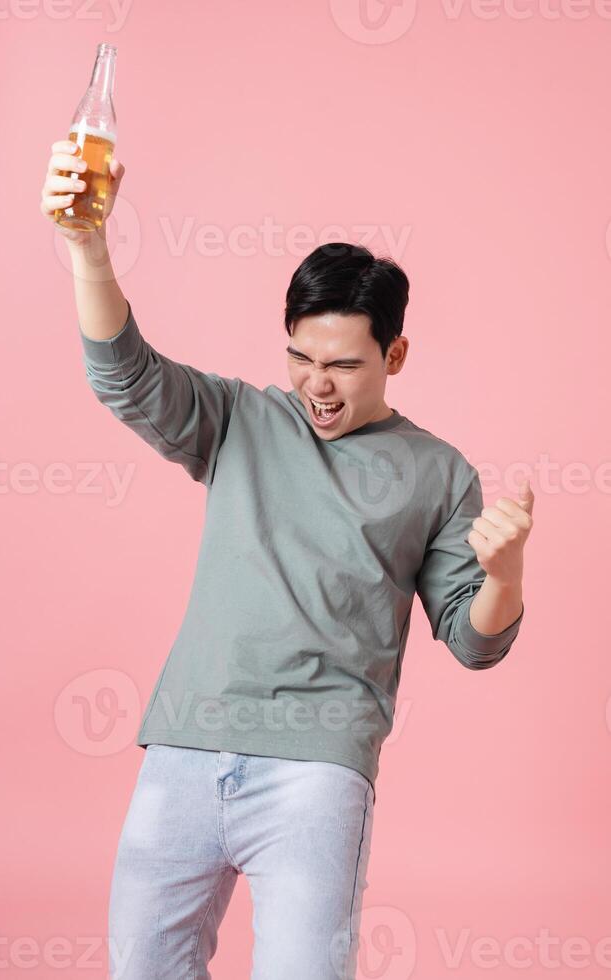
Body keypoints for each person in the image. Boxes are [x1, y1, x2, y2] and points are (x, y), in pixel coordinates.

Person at [41, 142, 533, 980]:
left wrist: (505, 571)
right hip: (185, 752)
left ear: (395, 356)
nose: (317, 386)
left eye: (343, 364)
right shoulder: (241, 419)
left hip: (316, 770)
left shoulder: (440, 471)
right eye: (300, 359)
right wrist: (88, 246)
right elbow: (125, 376)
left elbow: (474, 640)